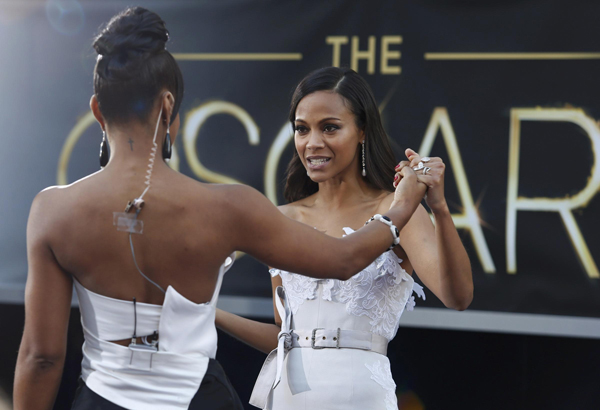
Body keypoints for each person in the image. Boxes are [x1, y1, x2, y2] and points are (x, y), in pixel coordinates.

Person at [12, 9, 427, 410]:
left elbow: (42, 357)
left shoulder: (53, 211)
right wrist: (403, 205)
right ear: (169, 107)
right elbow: (342, 260)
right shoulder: (226, 207)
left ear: (97, 110)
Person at [215, 67, 474, 410]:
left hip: (361, 397)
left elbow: (457, 297)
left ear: (362, 131)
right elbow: (285, 337)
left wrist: (438, 208)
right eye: (302, 129)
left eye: (330, 128)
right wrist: (211, 314)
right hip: (289, 399)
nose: (313, 143)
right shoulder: (282, 218)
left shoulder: (399, 209)